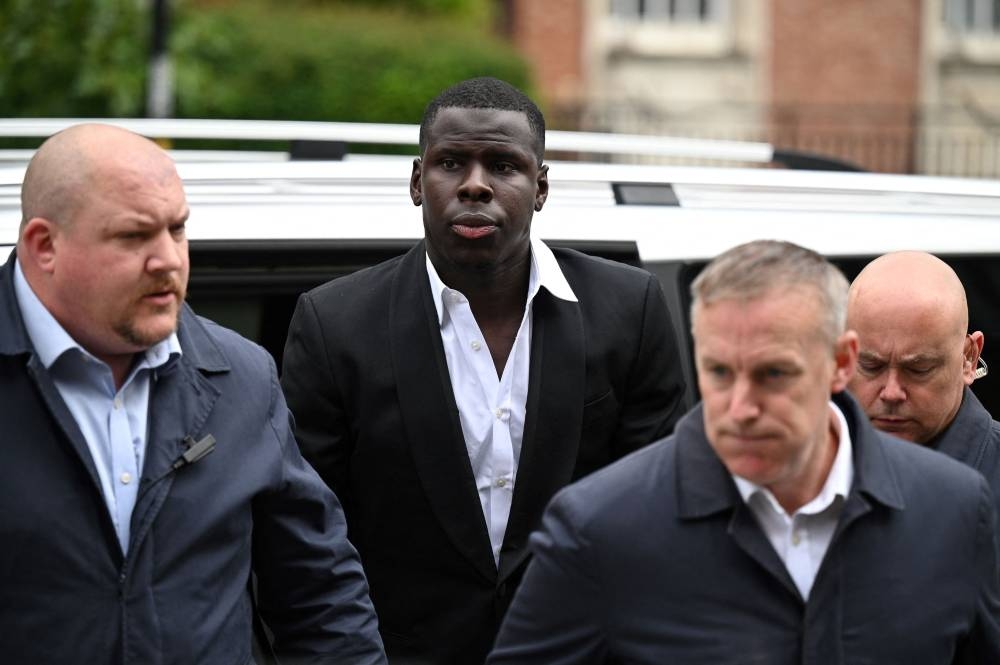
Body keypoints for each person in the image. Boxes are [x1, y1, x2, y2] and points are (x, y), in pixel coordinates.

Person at [280, 76, 687, 664]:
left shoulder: (629, 309)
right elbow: (308, 537)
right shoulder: (334, 323)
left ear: (540, 186)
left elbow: (656, 518)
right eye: (451, 163)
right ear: (418, 183)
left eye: (503, 165)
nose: (475, 186)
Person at [488, 240, 1000, 664]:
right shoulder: (599, 527)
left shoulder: (953, 507)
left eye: (773, 374)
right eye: (719, 372)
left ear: (840, 362)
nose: (741, 407)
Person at [0, 124, 386, 665]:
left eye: (176, 229)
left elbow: (321, 598)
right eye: (134, 237)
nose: (169, 260)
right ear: (45, 246)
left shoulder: (242, 379)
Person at [846, 251, 1000, 500]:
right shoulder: (809, 473)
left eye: (919, 369)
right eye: (870, 365)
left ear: (969, 358)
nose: (892, 393)